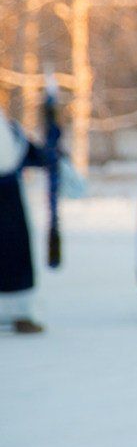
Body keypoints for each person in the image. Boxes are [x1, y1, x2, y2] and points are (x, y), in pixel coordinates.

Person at [1, 106, 57, 334]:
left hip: (9, 203)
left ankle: (19, 312)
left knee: (15, 255)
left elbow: (24, 151)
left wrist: (49, 154)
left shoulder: (7, 127)